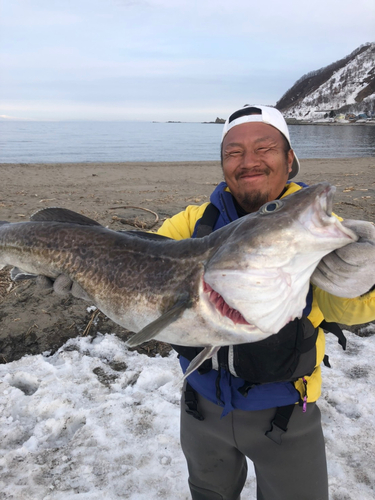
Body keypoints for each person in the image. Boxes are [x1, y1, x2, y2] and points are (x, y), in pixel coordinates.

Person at [36, 105, 375, 500]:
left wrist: (366, 281)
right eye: (234, 152)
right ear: (223, 165)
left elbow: (350, 309)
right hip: (201, 409)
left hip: (285, 416)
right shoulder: (193, 224)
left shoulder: (312, 233)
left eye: (265, 148)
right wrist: (86, 274)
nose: (249, 161)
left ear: (291, 159)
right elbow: (132, 259)